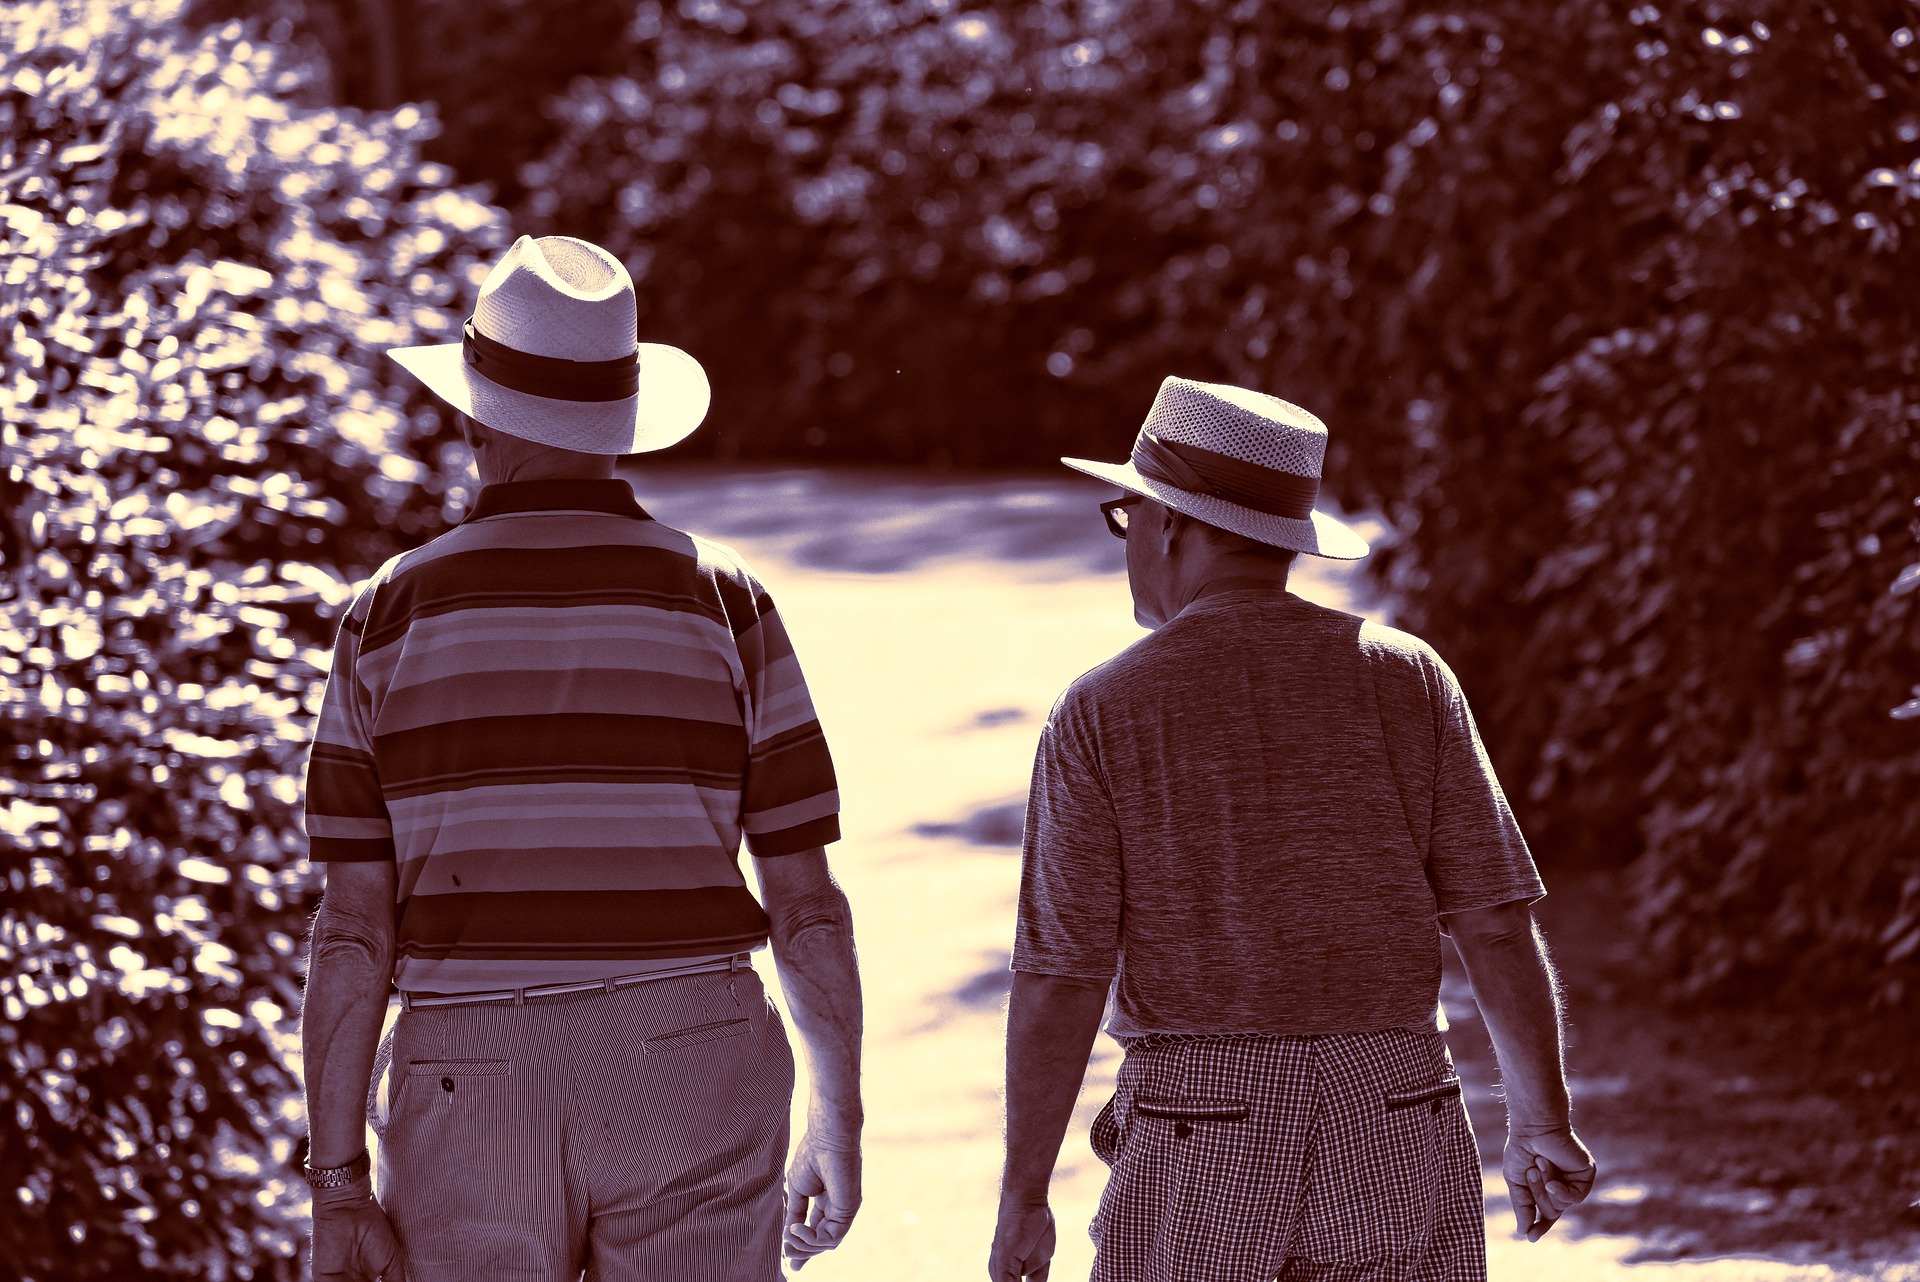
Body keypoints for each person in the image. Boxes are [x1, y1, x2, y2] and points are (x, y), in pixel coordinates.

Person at [298, 234, 863, 1281]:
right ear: (622, 422)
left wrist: (337, 1185)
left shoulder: (387, 617)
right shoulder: (724, 600)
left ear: (475, 421)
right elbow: (807, 904)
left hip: (469, 1076)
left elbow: (353, 930)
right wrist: (842, 1112)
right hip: (693, 1061)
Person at [989, 377, 1596, 1282]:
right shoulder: (1407, 677)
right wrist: (1541, 1120)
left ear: (1170, 524)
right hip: (1395, 1110)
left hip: (1201, 1126)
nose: (1128, 541)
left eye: (1126, 516)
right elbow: (1495, 921)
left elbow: (1061, 973)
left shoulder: (1106, 708)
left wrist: (1024, 1194)